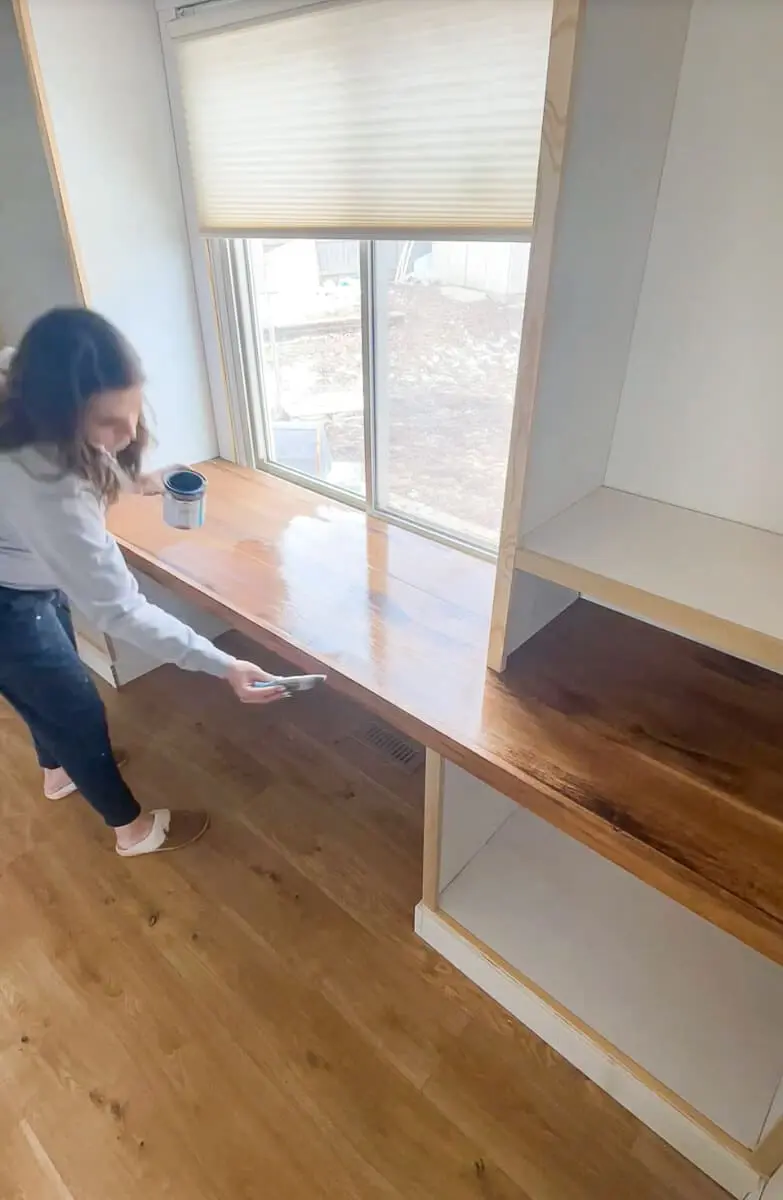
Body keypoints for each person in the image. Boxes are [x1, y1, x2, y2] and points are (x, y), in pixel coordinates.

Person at [0, 307, 286, 856]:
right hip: (6, 600)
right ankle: (130, 831)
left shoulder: (21, 375)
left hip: (23, 569)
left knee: (45, 693)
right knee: (76, 709)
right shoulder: (50, 490)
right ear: (58, 415)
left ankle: (58, 771)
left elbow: (89, 454)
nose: (129, 431)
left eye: (131, 408)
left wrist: (134, 479)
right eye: (108, 421)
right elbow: (120, 611)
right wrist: (223, 664)